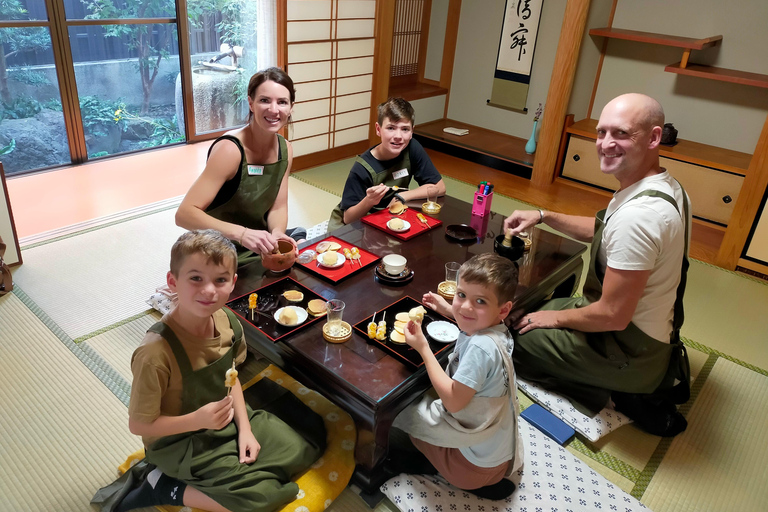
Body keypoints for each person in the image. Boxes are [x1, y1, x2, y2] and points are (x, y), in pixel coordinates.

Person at [503, 93, 692, 437]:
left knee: (512, 340)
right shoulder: (665, 185)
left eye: (620, 134)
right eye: (601, 132)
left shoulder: (640, 217)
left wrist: (554, 318)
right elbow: (606, 230)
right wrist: (543, 215)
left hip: (627, 350)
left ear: (653, 137)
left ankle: (622, 393)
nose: (606, 144)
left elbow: (613, 315)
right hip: (643, 332)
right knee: (530, 310)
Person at [111, 230, 321, 512]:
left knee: (303, 447)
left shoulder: (227, 321)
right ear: (173, 281)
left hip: (222, 423)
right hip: (180, 442)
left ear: (232, 283)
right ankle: (163, 486)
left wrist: (245, 429)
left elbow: (230, 376)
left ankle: (234, 471)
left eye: (220, 280)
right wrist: (198, 420)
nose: (209, 290)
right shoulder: (154, 353)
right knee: (262, 499)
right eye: (196, 278)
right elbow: (138, 425)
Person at [391, 254, 523, 500]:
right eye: (461, 295)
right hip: (500, 457)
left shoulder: (481, 349)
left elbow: (453, 402)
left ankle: (438, 470)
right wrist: (447, 308)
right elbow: (473, 320)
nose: (465, 307)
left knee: (404, 413)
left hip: (471, 468)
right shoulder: (499, 331)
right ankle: (477, 479)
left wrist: (423, 348)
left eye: (480, 301)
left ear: (504, 309)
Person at [176, 68, 305, 266]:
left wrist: (277, 233)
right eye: (264, 100)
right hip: (217, 245)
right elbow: (184, 214)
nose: (273, 109)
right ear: (251, 103)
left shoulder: (285, 149)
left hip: (259, 243)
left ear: (291, 107)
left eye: (282, 102)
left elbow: (278, 206)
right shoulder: (230, 150)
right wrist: (243, 234)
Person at [327, 97, 446, 231]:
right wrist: (370, 200)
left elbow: (439, 187)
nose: (398, 136)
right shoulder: (362, 168)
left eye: (405, 129)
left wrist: (402, 196)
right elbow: (348, 218)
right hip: (356, 223)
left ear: (412, 131)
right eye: (391, 128)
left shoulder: (412, 148)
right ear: (378, 129)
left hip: (389, 215)